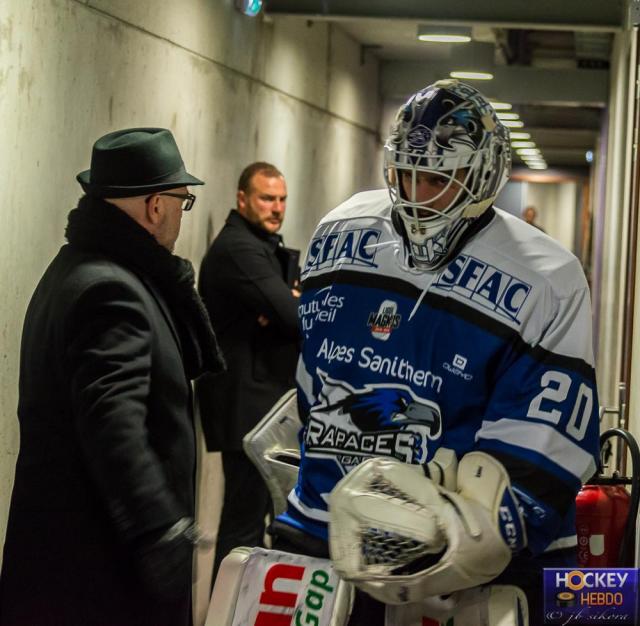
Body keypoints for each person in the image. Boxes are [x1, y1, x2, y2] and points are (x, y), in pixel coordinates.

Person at [273, 80, 600, 625]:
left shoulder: (547, 278)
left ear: (483, 178)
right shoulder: (339, 231)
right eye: (407, 175)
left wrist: (467, 535)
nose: (417, 195)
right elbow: (315, 381)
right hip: (323, 528)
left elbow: (542, 451)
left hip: (450, 563)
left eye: (438, 180)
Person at [0, 128, 224, 626]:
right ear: (154, 206)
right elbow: (112, 419)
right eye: (181, 202)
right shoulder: (111, 292)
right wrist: (157, 528)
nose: (179, 217)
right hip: (99, 571)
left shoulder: (73, 270)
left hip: (69, 563)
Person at [195, 162, 300, 587]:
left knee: (252, 519)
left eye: (281, 200)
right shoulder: (239, 248)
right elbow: (294, 316)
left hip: (257, 405)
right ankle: (227, 610)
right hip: (244, 410)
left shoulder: (259, 244)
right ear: (242, 199)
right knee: (242, 524)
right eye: (266, 198)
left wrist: (283, 304)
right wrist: (286, 304)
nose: (276, 208)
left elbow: (286, 308)